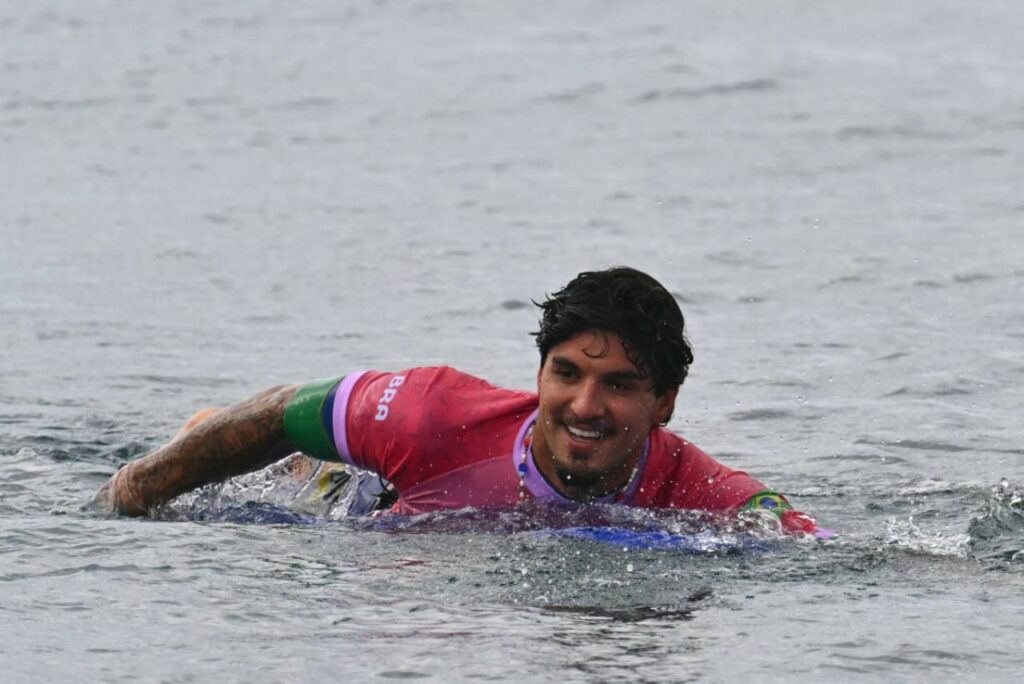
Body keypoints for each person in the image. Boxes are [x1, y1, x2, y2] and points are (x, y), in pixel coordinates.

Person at [94, 267, 826, 536]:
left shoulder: (696, 489)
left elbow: (797, 537)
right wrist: (130, 492)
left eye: (621, 385)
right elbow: (276, 411)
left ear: (664, 403)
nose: (584, 404)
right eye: (566, 374)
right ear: (538, 373)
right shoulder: (433, 412)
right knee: (259, 462)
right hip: (353, 508)